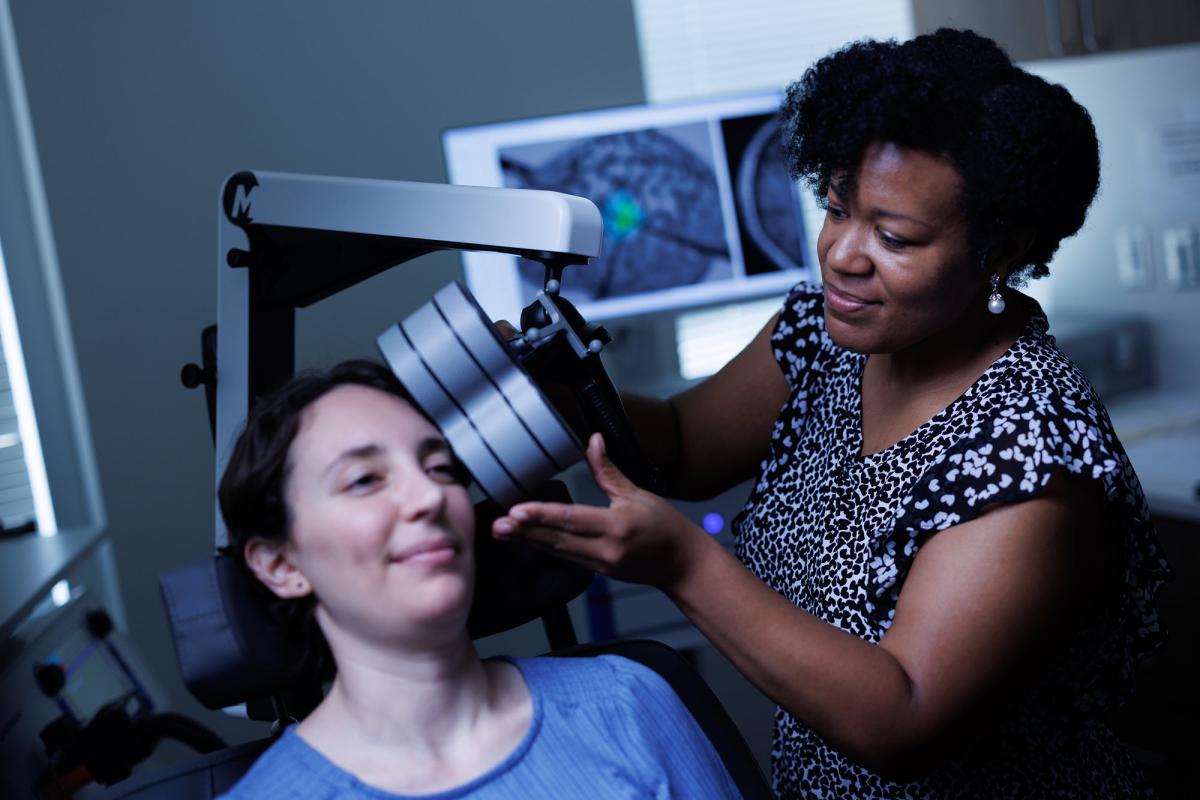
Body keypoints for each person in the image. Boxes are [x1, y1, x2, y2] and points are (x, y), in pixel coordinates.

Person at [491, 29, 1172, 798]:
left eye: (893, 236)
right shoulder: (828, 335)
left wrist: (684, 564)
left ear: (1000, 251)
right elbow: (683, 445)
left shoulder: (1031, 454)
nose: (842, 254)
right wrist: (561, 386)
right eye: (836, 208)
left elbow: (903, 719)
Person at [216, 360, 741, 799]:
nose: (429, 497)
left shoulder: (628, 702)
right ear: (281, 565)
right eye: (365, 479)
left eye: (440, 469)